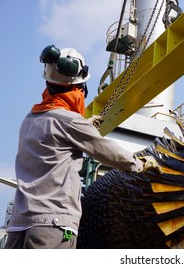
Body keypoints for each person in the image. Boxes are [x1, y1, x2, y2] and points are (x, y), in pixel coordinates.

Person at [5, 45, 156, 249]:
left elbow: (55, 136)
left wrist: (83, 124)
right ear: (78, 88)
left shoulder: (29, 120)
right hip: (53, 224)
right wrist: (140, 164)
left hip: (19, 225)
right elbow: (107, 151)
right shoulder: (71, 123)